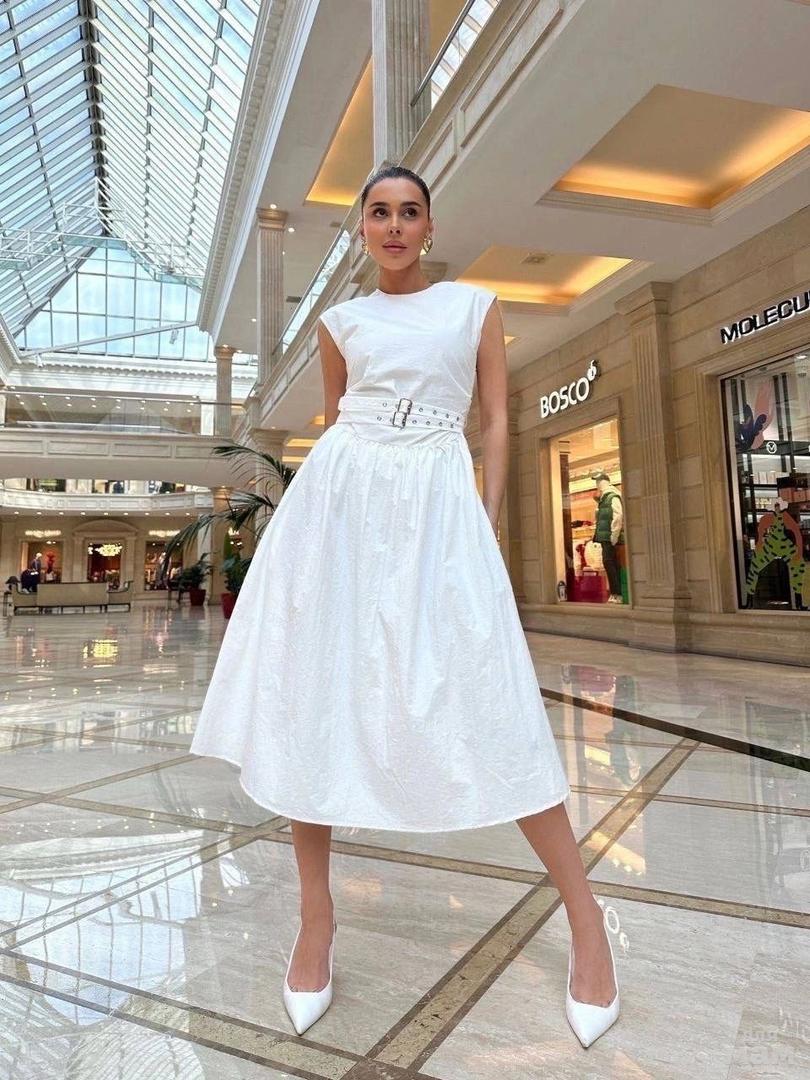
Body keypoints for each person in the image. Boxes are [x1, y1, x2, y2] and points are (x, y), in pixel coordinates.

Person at [190, 166, 620, 1047]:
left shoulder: (474, 308)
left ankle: (587, 919)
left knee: (494, 705)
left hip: (438, 507)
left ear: (430, 226)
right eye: (378, 213)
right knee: (315, 702)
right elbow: (339, 422)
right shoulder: (340, 322)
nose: (393, 226)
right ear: (361, 230)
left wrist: (486, 518)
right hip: (342, 512)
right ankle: (316, 920)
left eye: (408, 212)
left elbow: (494, 420)